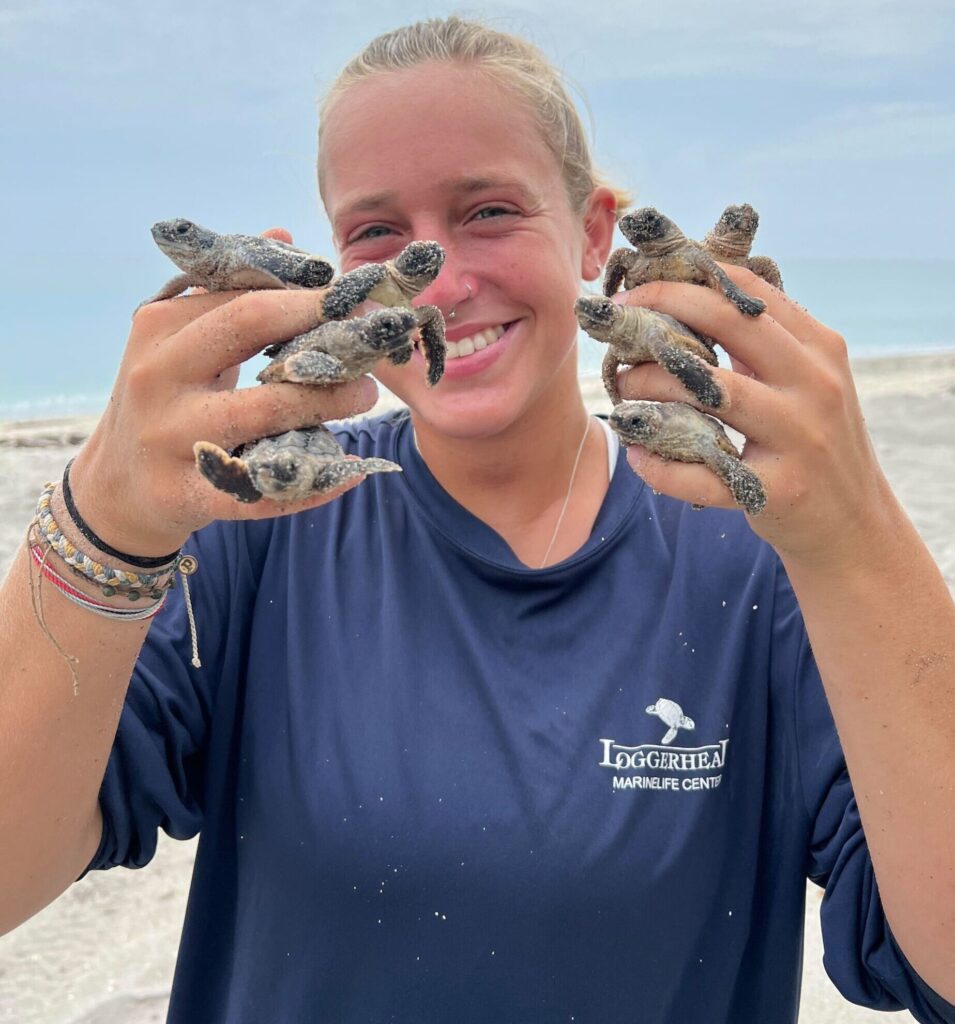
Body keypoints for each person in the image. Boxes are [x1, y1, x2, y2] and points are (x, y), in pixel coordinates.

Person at [1, 15, 953, 1024]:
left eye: (489, 209)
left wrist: (853, 534)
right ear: (333, 263)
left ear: (595, 232)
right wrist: (101, 519)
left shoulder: (759, 553)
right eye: (378, 232)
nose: (442, 283)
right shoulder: (256, 523)